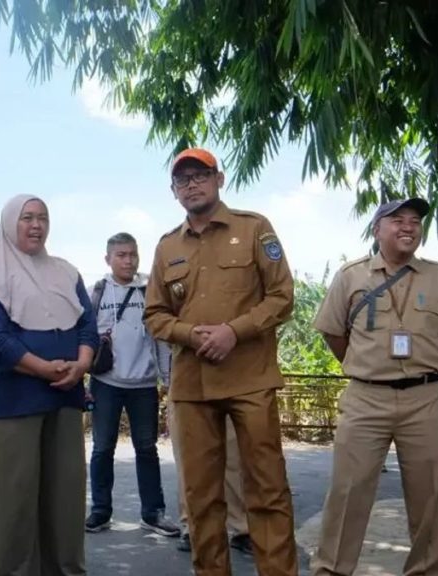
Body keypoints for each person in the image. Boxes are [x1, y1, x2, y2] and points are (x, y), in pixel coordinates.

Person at [144, 148, 298, 576]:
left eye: (200, 175)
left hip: (250, 380)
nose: (191, 184)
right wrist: (190, 334)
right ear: (174, 192)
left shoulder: (254, 229)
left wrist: (235, 331)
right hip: (191, 387)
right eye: (183, 179)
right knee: (201, 497)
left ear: (220, 179)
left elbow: (282, 296)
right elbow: (154, 314)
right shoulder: (166, 246)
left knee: (267, 489)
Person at [311, 198, 438, 575]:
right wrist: (370, 366)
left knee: (432, 497)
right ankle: (331, 570)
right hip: (366, 398)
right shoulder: (351, 276)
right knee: (348, 492)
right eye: (397, 220)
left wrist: (421, 368)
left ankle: (430, 571)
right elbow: (334, 333)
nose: (408, 227)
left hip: (426, 398)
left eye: (415, 221)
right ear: (376, 229)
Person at [0, 194, 98, 576]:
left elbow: (87, 326)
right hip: (17, 400)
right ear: (10, 223)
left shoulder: (67, 272)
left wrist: (80, 364)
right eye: (27, 217)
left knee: (65, 497)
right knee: (14, 500)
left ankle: (65, 570)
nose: (36, 225)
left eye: (42, 218)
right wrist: (44, 368)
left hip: (66, 396)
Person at [84, 232, 179, 538]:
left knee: (147, 449)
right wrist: (82, 378)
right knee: (102, 449)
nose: (128, 260)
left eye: (132, 254)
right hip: (105, 383)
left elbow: (162, 339)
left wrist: (168, 380)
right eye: (121, 255)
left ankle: (153, 513)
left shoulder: (151, 290)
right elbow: (83, 339)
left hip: (144, 385)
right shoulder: (95, 293)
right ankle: (100, 511)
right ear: (108, 259)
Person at [168, 404, 252, 555]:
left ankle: (241, 528)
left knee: (233, 458)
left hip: (230, 386)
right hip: (186, 388)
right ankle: (192, 527)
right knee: (189, 461)